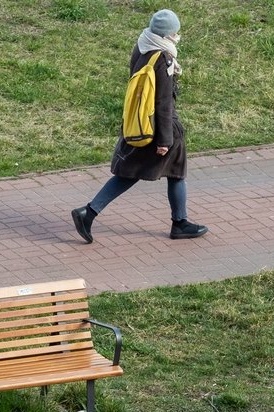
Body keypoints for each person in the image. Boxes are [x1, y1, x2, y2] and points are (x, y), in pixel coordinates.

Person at [71, 8, 208, 243]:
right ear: (168, 34)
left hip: (139, 121)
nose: (177, 36)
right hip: (160, 127)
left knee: (131, 171)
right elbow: (163, 103)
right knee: (175, 172)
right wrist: (165, 140)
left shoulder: (142, 46)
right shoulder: (163, 59)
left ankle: (89, 213)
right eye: (175, 32)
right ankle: (179, 223)